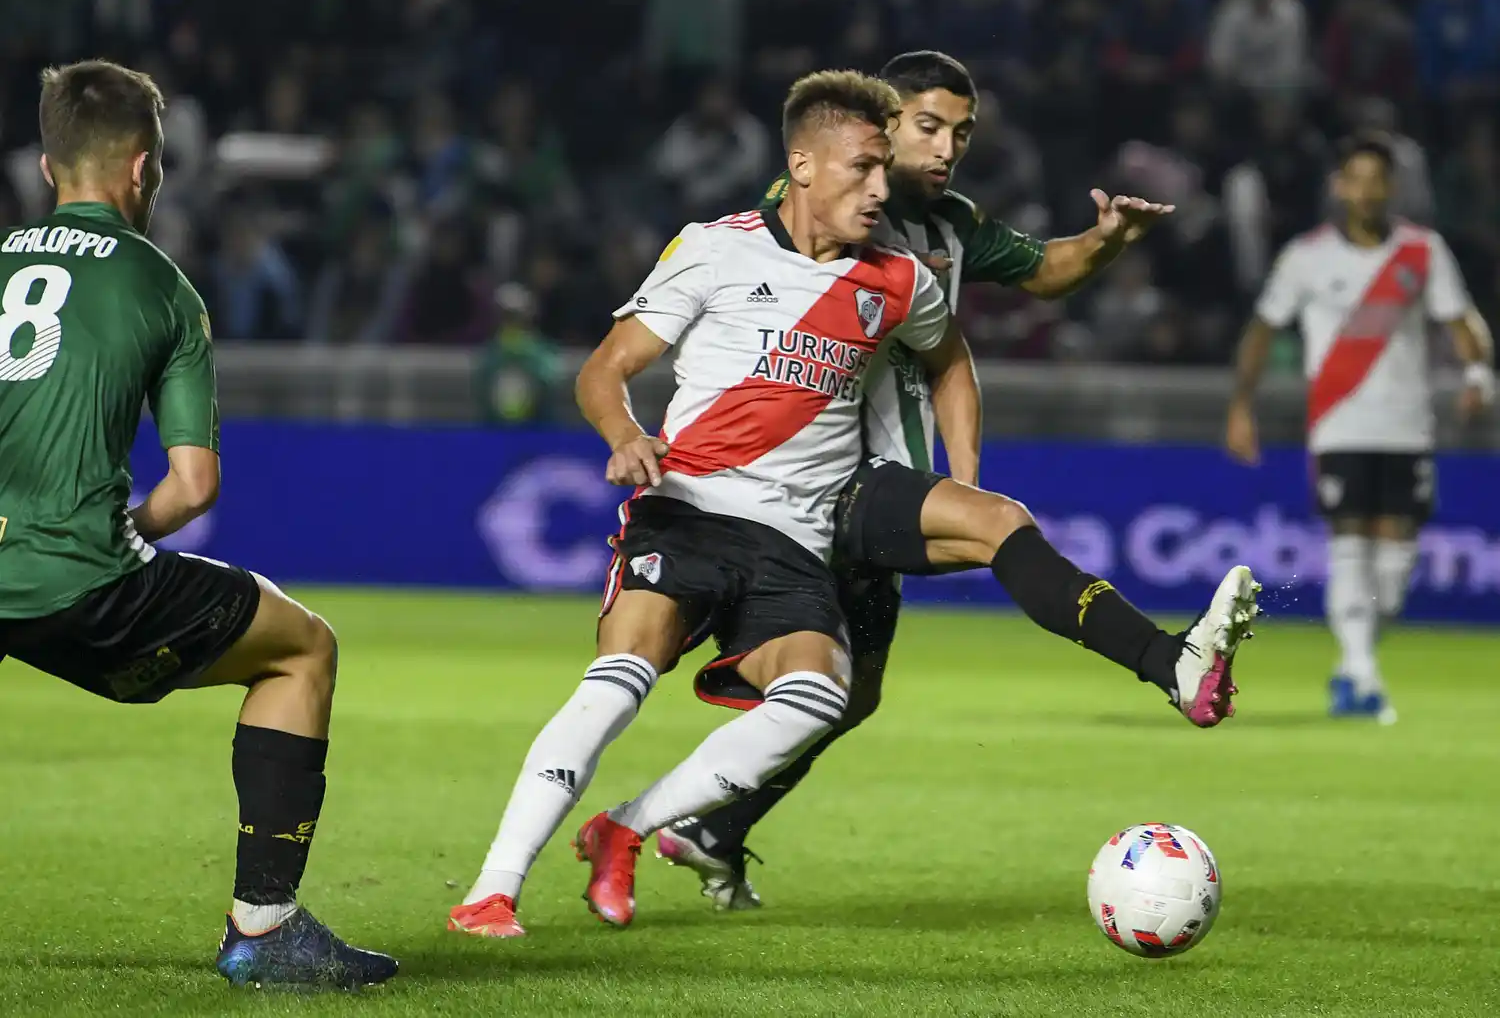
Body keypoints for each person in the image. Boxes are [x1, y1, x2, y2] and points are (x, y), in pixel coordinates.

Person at [656, 50, 1262, 911]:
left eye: (962, 133)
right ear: (879, 126)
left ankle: (710, 827)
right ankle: (1172, 662)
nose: (947, 149)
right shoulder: (814, 212)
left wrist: (1103, 242)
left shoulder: (948, 225)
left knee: (852, 695)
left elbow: (1036, 277)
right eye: (928, 127)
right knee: (992, 534)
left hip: (884, 477)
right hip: (816, 479)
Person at [447, 70, 961, 939]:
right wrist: (624, 433)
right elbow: (604, 368)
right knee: (617, 683)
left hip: (796, 545)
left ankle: (626, 825)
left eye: (885, 170)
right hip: (685, 512)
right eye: (861, 166)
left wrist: (963, 467)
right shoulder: (715, 248)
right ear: (801, 165)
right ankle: (492, 888)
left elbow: (950, 360)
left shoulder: (902, 282)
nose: (880, 187)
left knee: (818, 696)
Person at [0, 61, 397, 990]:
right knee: (303, 648)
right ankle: (265, 925)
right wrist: (118, 527)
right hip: (81, 579)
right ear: (144, 170)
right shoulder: (163, 288)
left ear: (50, 164)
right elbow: (191, 487)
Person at [1226, 130, 1492, 723]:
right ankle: (1363, 678)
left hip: (1408, 425)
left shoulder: (1422, 252)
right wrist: (1241, 404)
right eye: (1357, 179)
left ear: (1392, 187)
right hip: (1339, 425)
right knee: (1349, 546)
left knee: (1394, 573)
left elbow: (1462, 319)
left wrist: (1479, 373)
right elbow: (1262, 328)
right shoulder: (1307, 256)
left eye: (1378, 180)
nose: (1367, 191)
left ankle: (1354, 665)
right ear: (1339, 185)